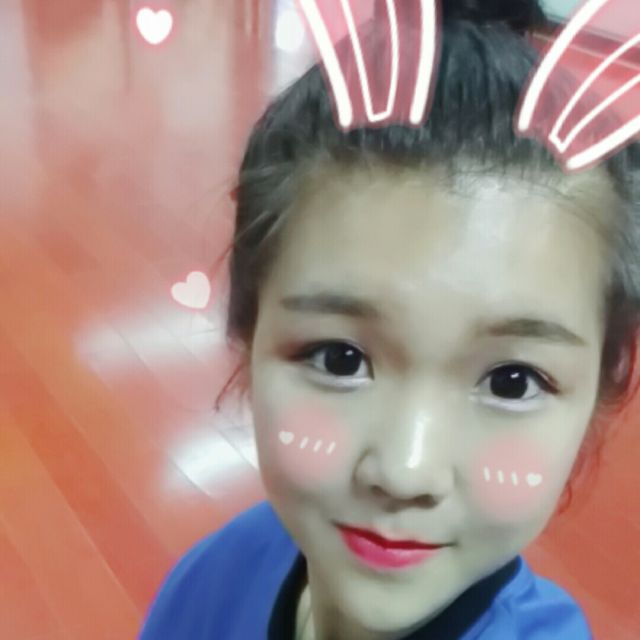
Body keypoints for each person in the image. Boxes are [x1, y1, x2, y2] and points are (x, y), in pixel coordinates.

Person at [139, 0, 640, 638]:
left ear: (600, 392)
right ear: (248, 335)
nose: (406, 470)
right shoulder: (223, 573)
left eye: (511, 381)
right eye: (339, 359)